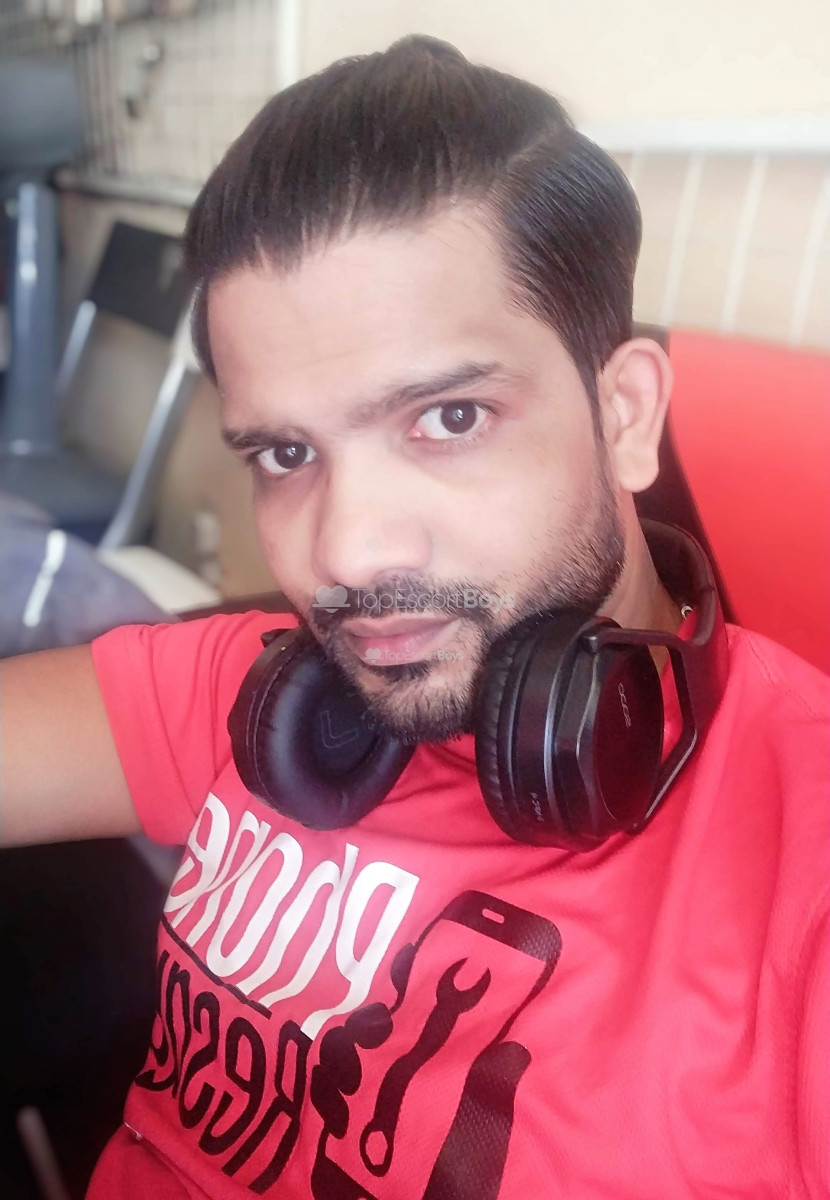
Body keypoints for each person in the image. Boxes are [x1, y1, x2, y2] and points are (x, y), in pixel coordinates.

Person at [2, 35, 828, 1200]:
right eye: (285, 453)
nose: (344, 553)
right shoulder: (264, 697)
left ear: (625, 416)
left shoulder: (797, 868)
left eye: (447, 418)